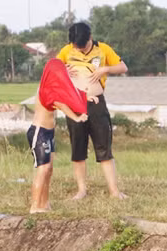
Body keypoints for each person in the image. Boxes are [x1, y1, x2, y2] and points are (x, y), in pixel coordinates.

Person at [57, 22, 128, 200]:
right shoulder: (66, 51)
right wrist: (63, 70)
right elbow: (52, 71)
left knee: (104, 146)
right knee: (78, 147)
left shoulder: (102, 49)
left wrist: (106, 69)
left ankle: (114, 191)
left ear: (90, 37)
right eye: (76, 46)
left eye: (83, 45)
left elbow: (123, 67)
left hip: (96, 103)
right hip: (75, 103)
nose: (80, 49)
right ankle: (81, 190)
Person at [28, 59, 89, 213]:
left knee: (49, 169)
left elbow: (67, 94)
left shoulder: (53, 87)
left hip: (49, 133)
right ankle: (35, 206)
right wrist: (76, 118)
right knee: (43, 168)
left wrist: (85, 98)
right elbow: (61, 104)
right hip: (39, 132)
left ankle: (45, 203)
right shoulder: (45, 90)